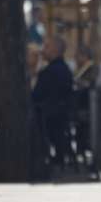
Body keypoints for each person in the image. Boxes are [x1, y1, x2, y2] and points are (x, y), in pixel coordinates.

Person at [32, 35, 74, 168]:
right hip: (62, 116)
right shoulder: (66, 69)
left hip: (48, 117)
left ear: (55, 50)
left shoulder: (48, 72)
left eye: (47, 46)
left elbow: (35, 96)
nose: (43, 50)